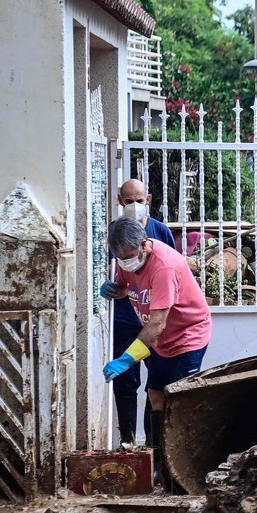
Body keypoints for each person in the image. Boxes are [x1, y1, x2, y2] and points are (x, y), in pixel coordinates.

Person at [101, 217, 212, 486]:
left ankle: (182, 470)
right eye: (119, 257)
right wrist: (116, 290)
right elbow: (127, 286)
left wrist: (127, 358)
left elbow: (158, 323)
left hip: (187, 335)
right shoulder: (128, 261)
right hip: (161, 340)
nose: (124, 262)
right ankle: (158, 465)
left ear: (143, 245)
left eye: (127, 256)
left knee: (177, 399)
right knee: (155, 395)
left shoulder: (164, 266)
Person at [109, 178, 176, 447]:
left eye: (139, 200)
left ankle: (152, 445)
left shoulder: (161, 232)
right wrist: (111, 286)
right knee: (125, 382)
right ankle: (127, 441)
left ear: (148, 199)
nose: (134, 206)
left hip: (154, 322)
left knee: (156, 385)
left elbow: (174, 272)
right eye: (129, 201)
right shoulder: (114, 233)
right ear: (119, 201)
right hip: (126, 319)